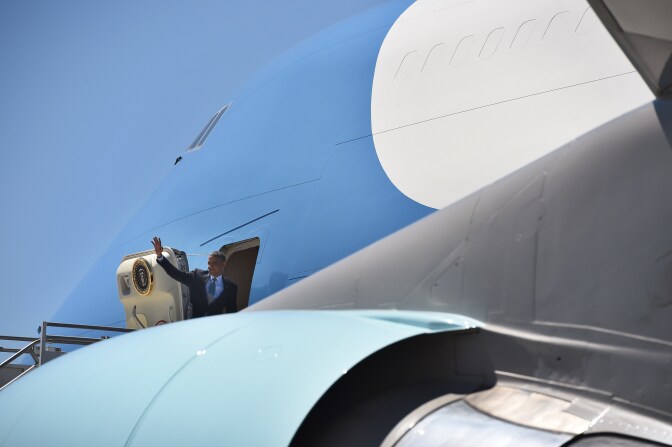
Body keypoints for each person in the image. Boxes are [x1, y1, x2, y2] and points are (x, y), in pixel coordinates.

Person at [151, 236, 237, 318]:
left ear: (223, 264)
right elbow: (175, 273)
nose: (210, 266)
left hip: (214, 328)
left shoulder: (231, 288)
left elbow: (232, 313)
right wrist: (160, 256)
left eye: (214, 263)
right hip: (194, 325)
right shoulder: (197, 275)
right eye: (209, 263)